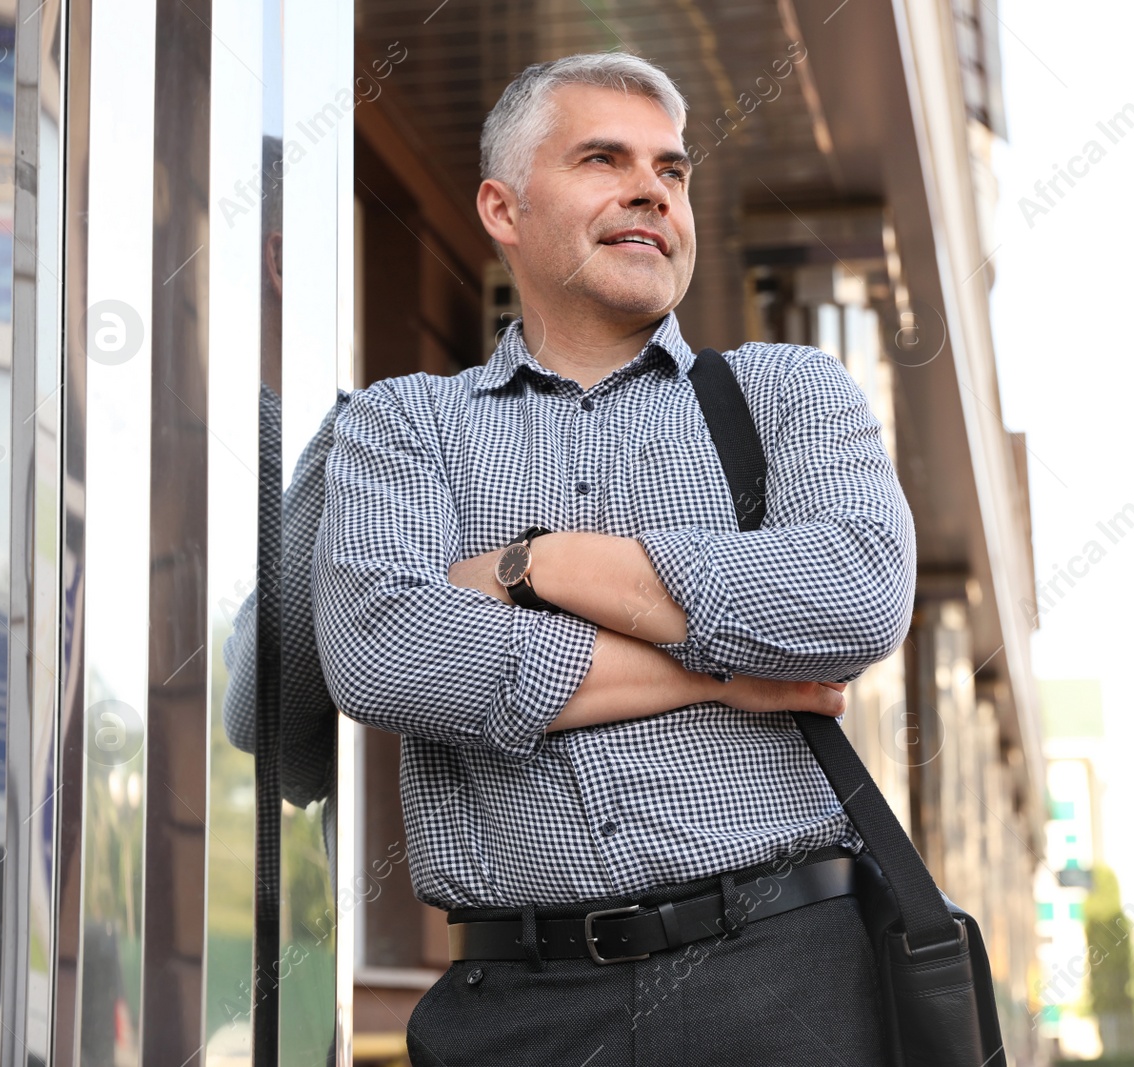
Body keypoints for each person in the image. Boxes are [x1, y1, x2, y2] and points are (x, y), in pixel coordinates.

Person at [311, 51, 916, 1066]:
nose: (650, 188)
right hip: (518, 1008)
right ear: (503, 210)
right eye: (603, 158)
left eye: (671, 170)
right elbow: (380, 648)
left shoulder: (787, 393)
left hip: (791, 982)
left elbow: (854, 597)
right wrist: (730, 673)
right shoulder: (399, 424)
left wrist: (532, 563)